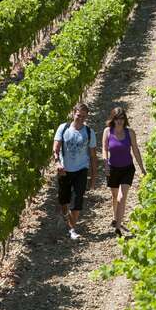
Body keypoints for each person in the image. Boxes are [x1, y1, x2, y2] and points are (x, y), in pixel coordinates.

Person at [53, 103, 97, 240]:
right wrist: (57, 162)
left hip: (81, 170)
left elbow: (93, 156)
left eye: (84, 117)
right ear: (73, 113)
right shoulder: (63, 128)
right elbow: (56, 148)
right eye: (79, 115)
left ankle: (72, 229)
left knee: (78, 199)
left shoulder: (89, 132)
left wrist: (93, 177)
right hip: (65, 170)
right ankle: (66, 217)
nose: (80, 118)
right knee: (63, 199)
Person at [102, 107, 146, 237]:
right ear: (113, 119)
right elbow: (104, 149)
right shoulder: (107, 131)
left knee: (122, 197)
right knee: (115, 196)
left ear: (125, 120)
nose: (119, 121)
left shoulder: (130, 133)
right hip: (113, 168)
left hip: (127, 169)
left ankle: (118, 227)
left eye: (122, 119)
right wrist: (105, 162)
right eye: (117, 119)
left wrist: (142, 168)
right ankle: (115, 217)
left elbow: (136, 151)